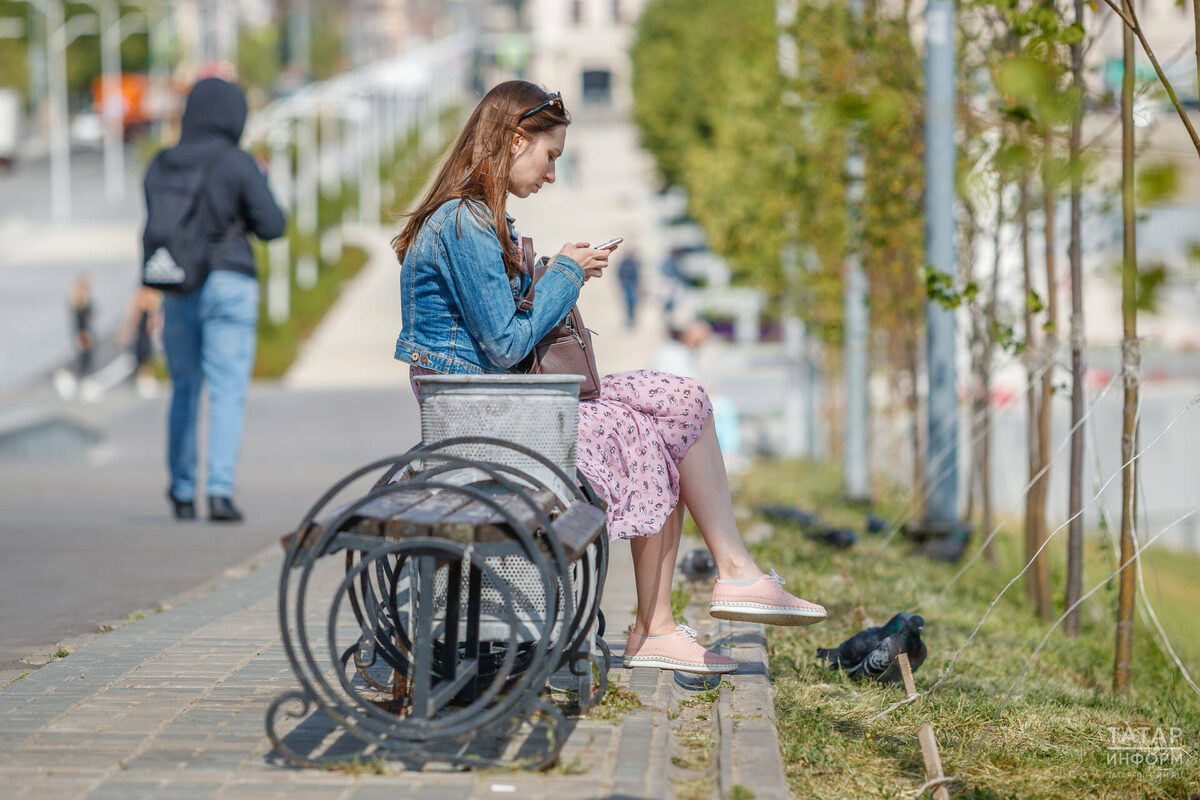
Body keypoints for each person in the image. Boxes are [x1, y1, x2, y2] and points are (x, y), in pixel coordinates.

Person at [392, 82, 826, 675]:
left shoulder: (476, 219)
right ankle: (657, 628)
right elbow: (503, 345)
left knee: (679, 400)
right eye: (550, 157)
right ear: (517, 139)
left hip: (509, 403)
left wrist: (549, 275)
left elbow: (502, 333)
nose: (550, 176)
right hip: (488, 417)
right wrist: (565, 275)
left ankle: (734, 572)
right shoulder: (464, 222)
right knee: (642, 430)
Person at [144, 77, 287, 522]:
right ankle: (220, 492)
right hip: (230, 283)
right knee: (226, 390)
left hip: (179, 285)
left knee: (183, 388)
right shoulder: (237, 163)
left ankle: (182, 491)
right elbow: (273, 226)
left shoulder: (162, 163)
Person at [119, 286, 162, 398]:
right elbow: (135, 318)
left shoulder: (151, 299)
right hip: (142, 336)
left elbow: (154, 317)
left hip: (146, 335)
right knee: (143, 356)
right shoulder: (142, 299)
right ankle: (143, 380)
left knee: (147, 355)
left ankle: (146, 380)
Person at [69, 274, 95, 380]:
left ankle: (83, 377)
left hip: (85, 331)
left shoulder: (84, 299)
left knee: (85, 357)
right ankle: (81, 378)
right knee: (84, 357)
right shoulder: (79, 301)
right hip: (83, 332)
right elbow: (80, 321)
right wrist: (82, 334)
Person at [616, 248, 641, 328]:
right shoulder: (623, 264)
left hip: (632, 285)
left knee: (633, 302)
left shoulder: (633, 264)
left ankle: (632, 318)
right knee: (628, 302)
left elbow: (636, 276)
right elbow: (619, 274)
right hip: (626, 285)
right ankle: (629, 319)